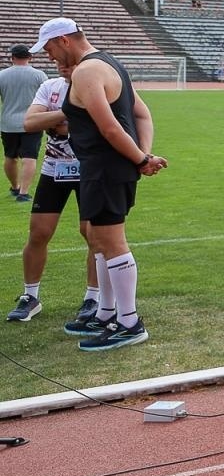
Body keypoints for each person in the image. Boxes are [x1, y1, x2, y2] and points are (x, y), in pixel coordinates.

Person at [31, 18, 166, 351]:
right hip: (103, 167)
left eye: (48, 49)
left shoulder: (88, 71)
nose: (49, 57)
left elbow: (110, 128)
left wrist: (140, 159)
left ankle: (129, 323)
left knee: (111, 241)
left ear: (63, 41)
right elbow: (142, 114)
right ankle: (106, 313)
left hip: (105, 168)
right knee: (98, 239)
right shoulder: (110, 63)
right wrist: (142, 155)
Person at [6, 59, 98, 327]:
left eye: (68, 63)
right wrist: (66, 114)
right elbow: (30, 122)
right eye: (60, 63)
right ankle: (30, 296)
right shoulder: (50, 86)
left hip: (90, 170)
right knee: (39, 233)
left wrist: (59, 119)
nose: (62, 67)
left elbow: (102, 124)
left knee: (93, 234)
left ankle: (92, 298)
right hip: (53, 170)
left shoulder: (94, 85)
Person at [1, 44, 47, 204]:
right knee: (29, 157)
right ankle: (24, 192)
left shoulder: (2, 75)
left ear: (12, 57)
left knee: (10, 157)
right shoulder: (39, 75)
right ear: (30, 57)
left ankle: (14, 186)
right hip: (32, 121)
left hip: (8, 123)